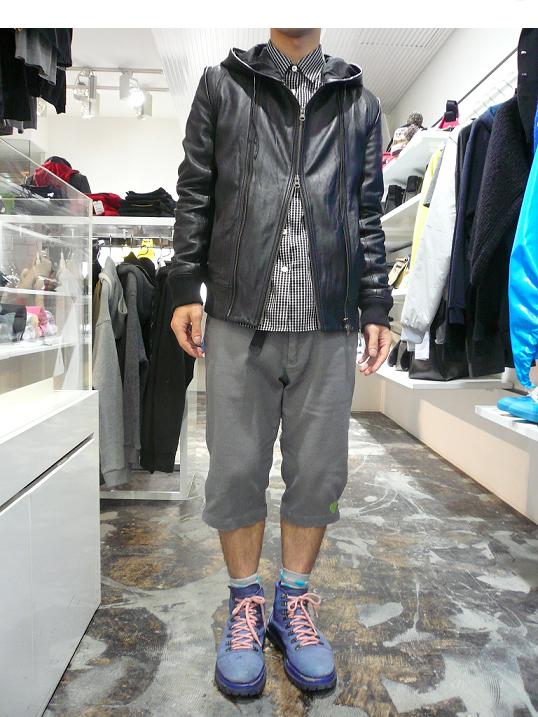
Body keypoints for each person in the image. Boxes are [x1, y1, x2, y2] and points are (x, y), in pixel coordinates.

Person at [170, 27, 392, 697]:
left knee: (319, 474)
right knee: (235, 469)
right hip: (240, 314)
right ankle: (245, 604)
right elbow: (196, 190)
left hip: (328, 318)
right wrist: (183, 286)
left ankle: (292, 602)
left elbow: (368, 213)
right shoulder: (223, 85)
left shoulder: (359, 102)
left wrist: (376, 301)